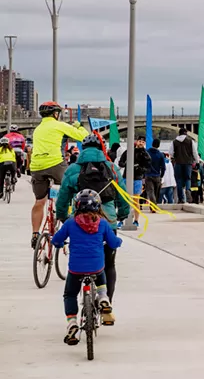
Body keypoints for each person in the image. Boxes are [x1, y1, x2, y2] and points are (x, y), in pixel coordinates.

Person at [56, 134, 129, 324]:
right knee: (109, 265)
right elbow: (122, 193)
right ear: (101, 148)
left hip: (79, 221)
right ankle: (107, 305)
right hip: (107, 221)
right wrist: (122, 213)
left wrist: (63, 215)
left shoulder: (73, 169)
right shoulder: (111, 167)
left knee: (79, 263)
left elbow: (64, 194)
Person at [52, 190, 123, 345]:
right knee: (101, 271)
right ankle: (103, 297)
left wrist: (58, 243)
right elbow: (113, 242)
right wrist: (118, 242)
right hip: (96, 266)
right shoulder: (103, 223)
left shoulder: (70, 222)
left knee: (70, 294)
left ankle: (72, 323)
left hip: (76, 268)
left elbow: (57, 239)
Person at [30, 102, 89, 248]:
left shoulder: (37, 129)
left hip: (36, 167)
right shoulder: (59, 125)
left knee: (39, 201)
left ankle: (35, 234)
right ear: (56, 114)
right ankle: (69, 222)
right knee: (72, 189)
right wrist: (78, 126)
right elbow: (84, 136)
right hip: (55, 164)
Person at [119, 136, 152, 224]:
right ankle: (122, 219)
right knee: (125, 199)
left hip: (137, 178)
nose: (141, 143)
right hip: (126, 177)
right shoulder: (128, 151)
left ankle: (136, 220)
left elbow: (148, 166)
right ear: (136, 142)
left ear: (144, 144)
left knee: (136, 200)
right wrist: (126, 164)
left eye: (143, 142)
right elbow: (121, 163)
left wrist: (140, 169)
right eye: (139, 141)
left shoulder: (146, 154)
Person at [171, 128, 199, 204]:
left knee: (179, 180)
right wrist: (197, 162)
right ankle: (188, 189)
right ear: (186, 133)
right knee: (188, 179)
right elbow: (194, 152)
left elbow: (171, 153)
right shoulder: (190, 141)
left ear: (179, 133)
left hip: (178, 162)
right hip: (188, 163)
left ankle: (181, 198)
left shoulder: (174, 142)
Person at [144, 139, 166, 209]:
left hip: (148, 175)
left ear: (152, 144)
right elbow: (163, 167)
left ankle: (153, 206)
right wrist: (161, 175)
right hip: (157, 176)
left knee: (150, 191)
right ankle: (153, 206)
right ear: (159, 145)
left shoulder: (147, 152)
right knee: (156, 193)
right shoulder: (160, 155)